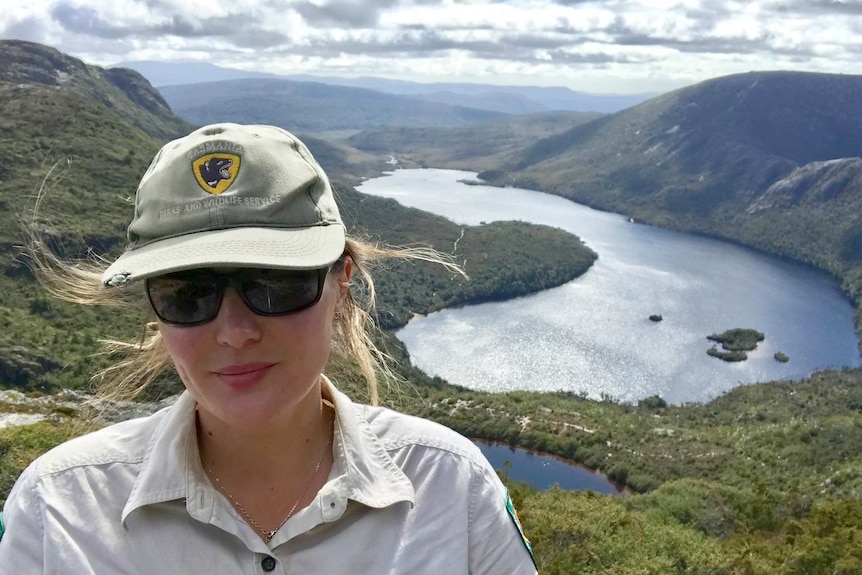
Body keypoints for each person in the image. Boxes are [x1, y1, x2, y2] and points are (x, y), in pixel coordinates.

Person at [0, 123, 538, 573]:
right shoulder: (58, 511)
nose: (234, 331)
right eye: (187, 294)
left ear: (341, 286)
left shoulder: (451, 489)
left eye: (277, 284)